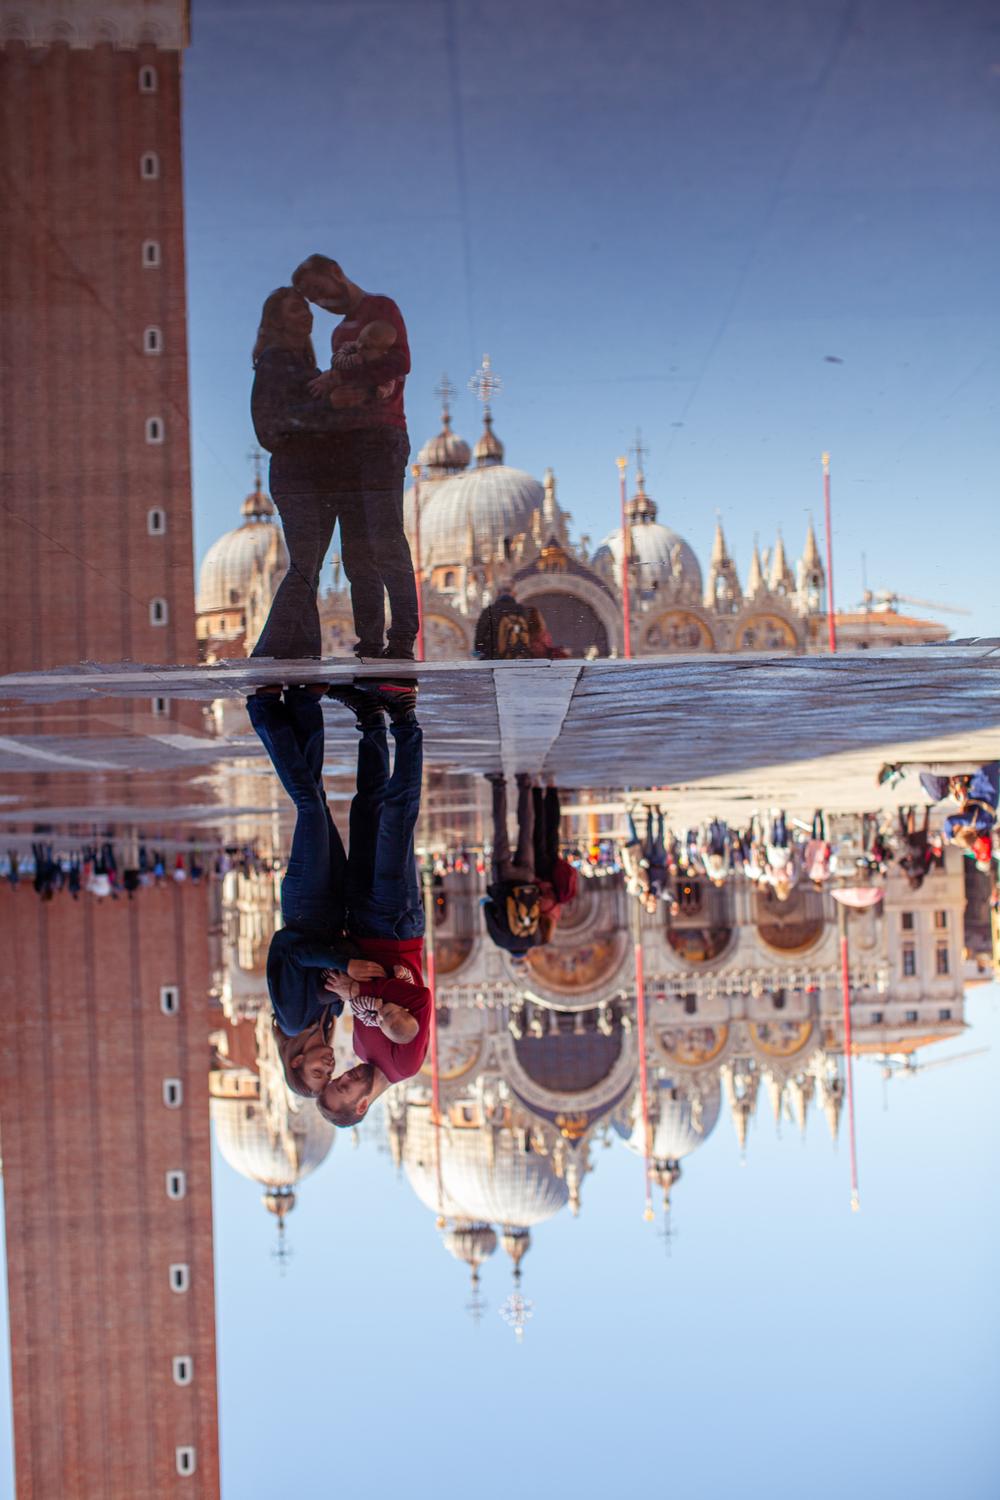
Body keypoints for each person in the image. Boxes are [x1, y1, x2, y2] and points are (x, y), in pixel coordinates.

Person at [292, 254, 418, 661]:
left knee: (386, 539)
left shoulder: (382, 308)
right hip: (348, 446)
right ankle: (370, 642)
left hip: (382, 439)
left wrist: (339, 378)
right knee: (356, 551)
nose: (320, 302)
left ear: (336, 273)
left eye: (319, 290)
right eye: (312, 298)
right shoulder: (337, 335)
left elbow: (400, 362)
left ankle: (403, 638)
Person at [249, 286, 355, 660]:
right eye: (296, 309)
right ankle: (267, 652)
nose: (307, 314)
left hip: (319, 478)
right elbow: (270, 426)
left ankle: (305, 654)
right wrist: (328, 405)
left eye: (306, 308)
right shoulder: (275, 361)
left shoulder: (305, 365)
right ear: (277, 320)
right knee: (305, 567)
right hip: (297, 476)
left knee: (310, 568)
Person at [482, 772, 542, 951]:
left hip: (527, 880)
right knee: (501, 830)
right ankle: (498, 784)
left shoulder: (534, 939)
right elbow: (487, 910)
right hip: (503, 881)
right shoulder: (502, 941)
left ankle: (525, 784)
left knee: (527, 832)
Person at [473, 583, 533, 660]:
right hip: (518, 655)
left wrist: (479, 649)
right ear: (513, 594)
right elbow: (529, 630)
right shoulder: (521, 610)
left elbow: (480, 633)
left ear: (498, 594)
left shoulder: (489, 610)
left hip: (493, 655)